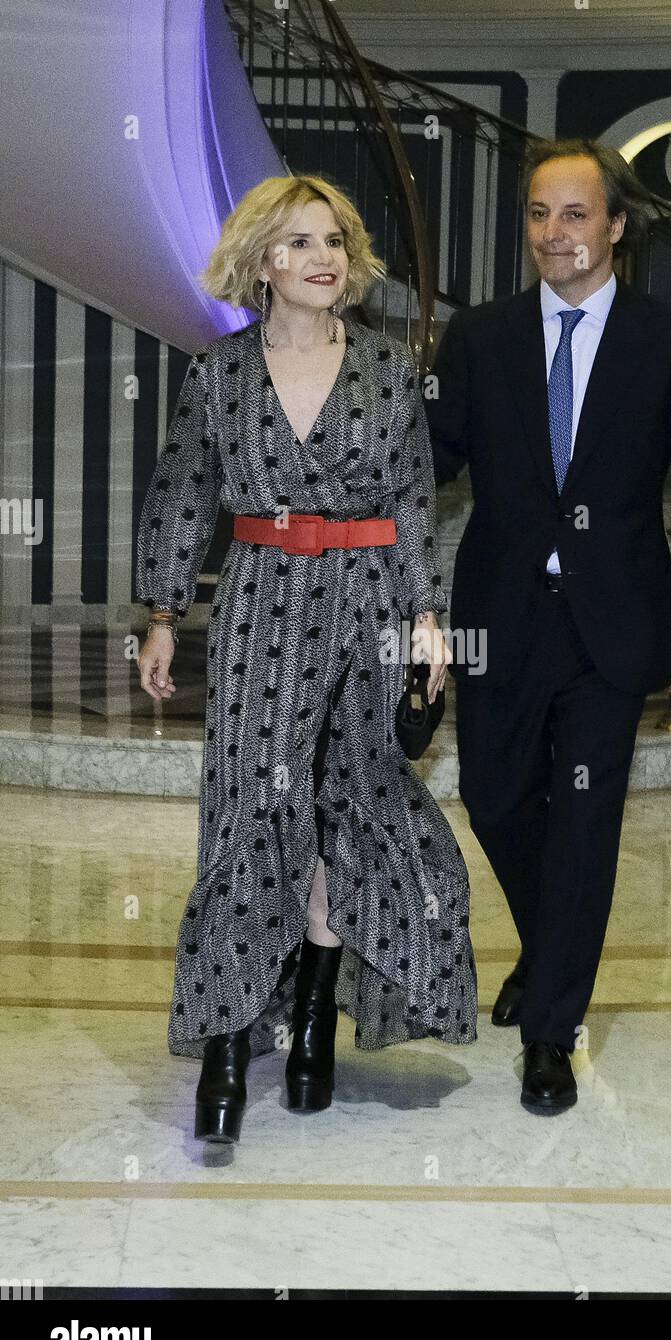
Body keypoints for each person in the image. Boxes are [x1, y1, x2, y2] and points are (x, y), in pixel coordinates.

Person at [135, 174, 476, 1145]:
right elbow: (184, 493)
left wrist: (423, 617)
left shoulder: (384, 369)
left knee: (348, 802)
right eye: (295, 244)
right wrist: (161, 611)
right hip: (261, 605)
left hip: (367, 600)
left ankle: (318, 1009)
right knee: (248, 812)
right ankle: (230, 1036)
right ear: (259, 264)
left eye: (331, 240)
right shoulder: (220, 374)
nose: (320, 257)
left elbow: (413, 499)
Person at [425, 137, 671, 1115]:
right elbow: (423, 463)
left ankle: (551, 1030)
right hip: (499, 613)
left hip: (615, 620)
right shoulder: (477, 338)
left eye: (571, 214)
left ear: (612, 227)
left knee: (587, 820)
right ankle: (550, 943)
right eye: (535, 214)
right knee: (492, 795)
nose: (551, 234)